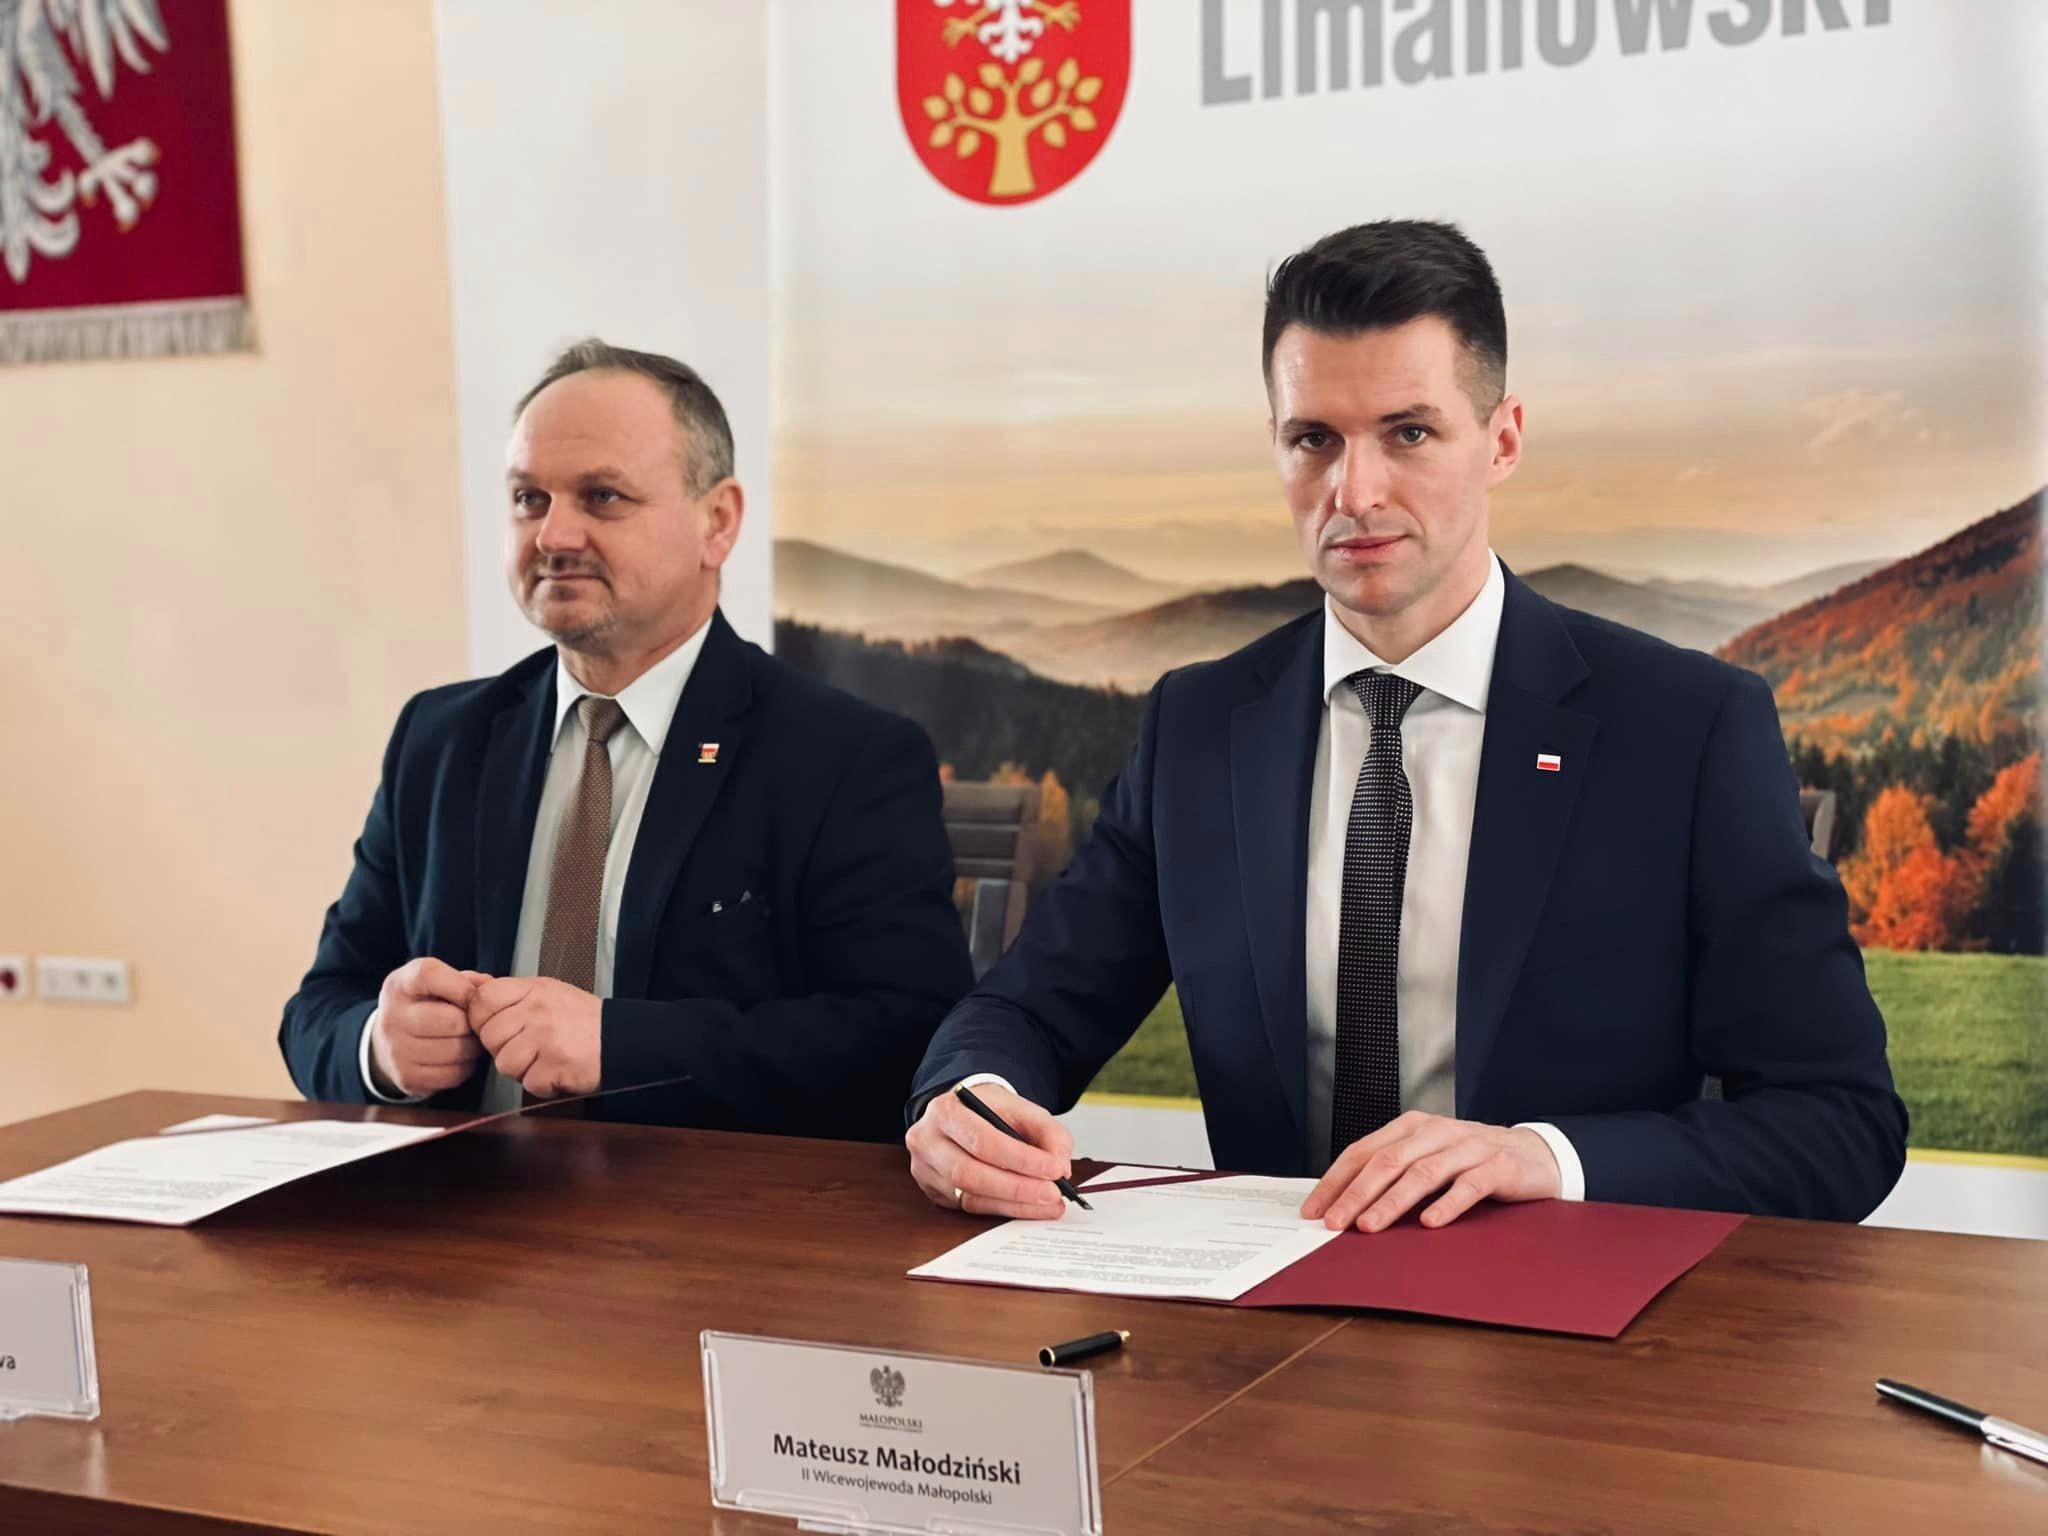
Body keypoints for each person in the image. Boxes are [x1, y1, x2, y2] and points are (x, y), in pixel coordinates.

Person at [906, 221, 1907, 1225]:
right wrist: (969, 1100)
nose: (1355, 491)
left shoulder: (1685, 728)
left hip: (1567, 1300)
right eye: (1314, 440)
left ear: (1502, 439)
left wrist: (1542, 1157)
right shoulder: (1198, 727)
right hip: (1267, 1298)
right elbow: (1024, 1009)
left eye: (1408, 433)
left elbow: (1838, 1123)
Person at [281, 339, 974, 1140]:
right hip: (459, 1199)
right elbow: (319, 1008)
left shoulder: (844, 757)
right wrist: (379, 1046)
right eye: (529, 499)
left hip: (706, 1207)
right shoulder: (440, 740)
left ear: (718, 522)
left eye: (602, 497)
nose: (553, 535)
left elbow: (905, 1041)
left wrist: (621, 1046)